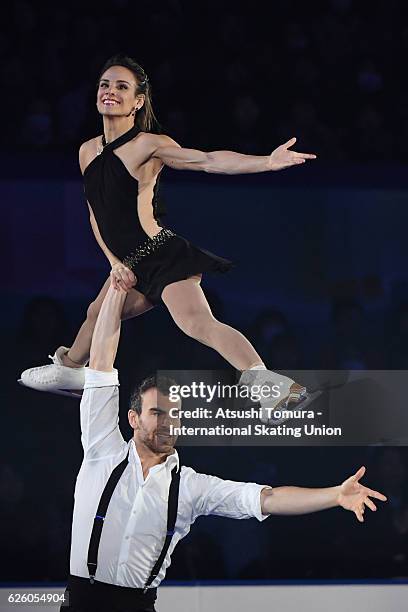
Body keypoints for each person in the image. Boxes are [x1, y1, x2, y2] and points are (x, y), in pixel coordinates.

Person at [20, 53, 318, 417]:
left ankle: (270, 385)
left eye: (121, 86)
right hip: (128, 262)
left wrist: (266, 162)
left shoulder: (148, 145)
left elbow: (208, 161)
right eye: (105, 84)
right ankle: (69, 370)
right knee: (96, 313)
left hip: (161, 253)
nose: (110, 91)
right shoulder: (87, 151)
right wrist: (115, 264)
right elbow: (97, 215)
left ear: (138, 101)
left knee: (196, 323)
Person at [59, 284, 387, 611]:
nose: (168, 422)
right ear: (133, 418)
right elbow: (101, 363)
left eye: (175, 415)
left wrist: (334, 494)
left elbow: (266, 498)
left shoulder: (188, 487)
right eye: (157, 413)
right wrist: (117, 289)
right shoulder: (103, 449)